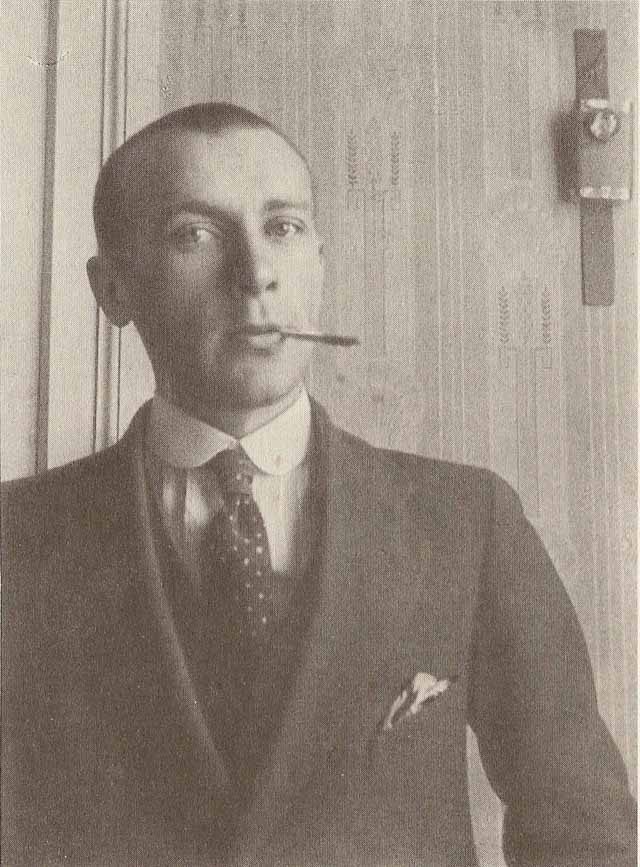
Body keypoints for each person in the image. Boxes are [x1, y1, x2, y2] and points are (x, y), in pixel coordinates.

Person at [1, 102, 635, 867]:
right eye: (194, 234)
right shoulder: (18, 542)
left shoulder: (467, 523)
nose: (256, 272)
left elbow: (586, 833)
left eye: (283, 227)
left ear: (320, 261)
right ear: (113, 289)